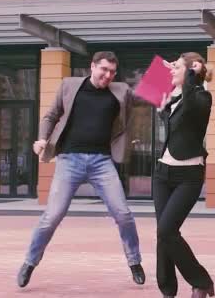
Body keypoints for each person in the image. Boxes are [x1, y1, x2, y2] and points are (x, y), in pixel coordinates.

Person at [16, 51, 145, 288]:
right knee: (52, 216)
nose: (108, 75)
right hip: (69, 160)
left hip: (102, 162)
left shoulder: (120, 91)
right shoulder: (69, 85)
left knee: (123, 214)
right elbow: (51, 115)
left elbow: (147, 96)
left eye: (112, 72)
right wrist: (42, 139)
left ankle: (134, 261)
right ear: (92, 67)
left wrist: (171, 75)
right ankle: (30, 263)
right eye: (104, 70)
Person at [154, 52, 215, 298]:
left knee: (168, 230)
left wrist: (189, 72)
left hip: (188, 175)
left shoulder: (202, 97)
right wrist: (163, 72)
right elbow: (149, 94)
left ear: (192, 71)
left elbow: (191, 105)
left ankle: (201, 281)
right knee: (162, 234)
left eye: (177, 67)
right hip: (162, 173)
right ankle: (168, 290)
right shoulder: (173, 98)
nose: (172, 70)